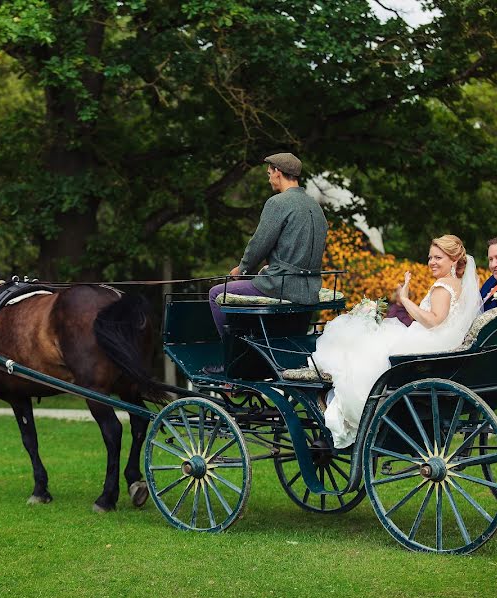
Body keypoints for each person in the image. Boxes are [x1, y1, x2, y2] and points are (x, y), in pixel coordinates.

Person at [311, 235, 482, 448]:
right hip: (442, 346)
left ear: (454, 260)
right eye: (430, 257)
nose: (432, 262)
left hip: (428, 343)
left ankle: (341, 405)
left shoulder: (442, 286)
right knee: (370, 345)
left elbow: (434, 320)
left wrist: (405, 300)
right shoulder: (459, 285)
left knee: (365, 349)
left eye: (439, 257)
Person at [204, 153, 328, 374]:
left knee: (216, 293)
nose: (269, 179)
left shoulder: (278, 203)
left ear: (278, 173)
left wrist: (242, 269)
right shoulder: (315, 207)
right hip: (310, 288)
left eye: (269, 174)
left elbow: (260, 243)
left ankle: (234, 361)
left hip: (281, 286)